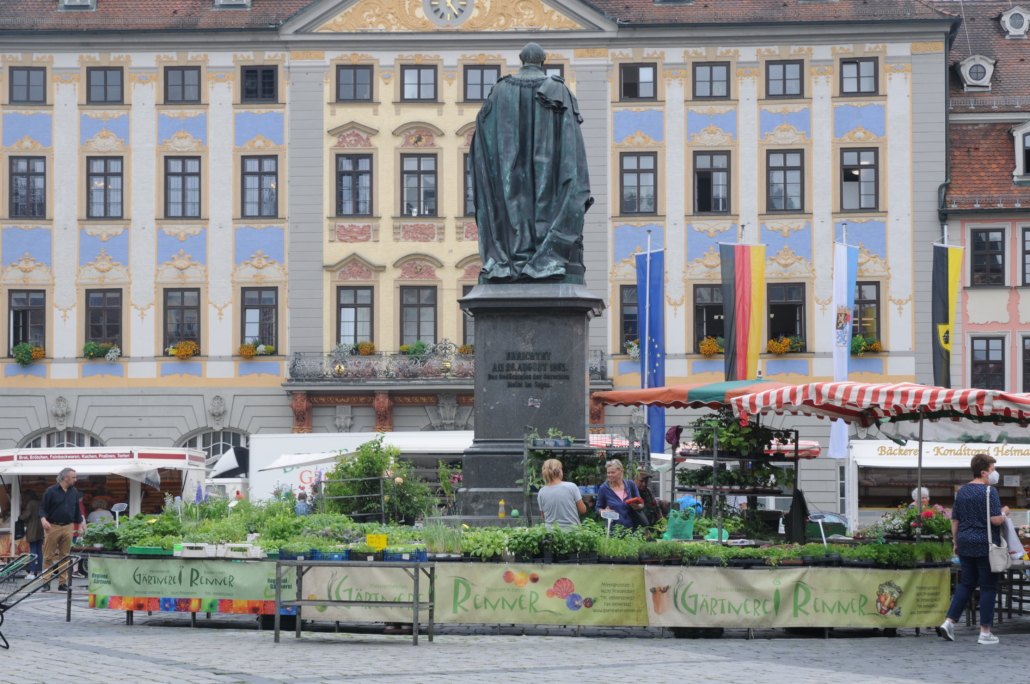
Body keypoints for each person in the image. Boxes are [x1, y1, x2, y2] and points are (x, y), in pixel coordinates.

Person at [940, 453, 1009, 645]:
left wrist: (956, 543)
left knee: (967, 583)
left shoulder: (962, 491)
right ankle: (985, 632)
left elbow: (955, 520)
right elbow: (995, 519)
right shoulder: (990, 492)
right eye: (993, 470)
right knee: (988, 586)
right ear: (983, 472)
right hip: (986, 545)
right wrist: (1004, 512)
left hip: (966, 542)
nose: (995, 473)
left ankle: (949, 622)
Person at [39, 468, 85, 591]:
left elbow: (77, 509)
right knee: (48, 556)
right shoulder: (51, 491)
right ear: (66, 478)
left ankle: (62, 583)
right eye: (74, 477)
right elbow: (43, 508)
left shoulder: (74, 492)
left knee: (65, 556)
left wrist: (80, 525)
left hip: (68, 526)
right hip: (53, 526)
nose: (76, 479)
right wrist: (44, 520)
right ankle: (46, 582)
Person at [595, 459, 645, 529]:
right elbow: (597, 508)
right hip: (614, 530)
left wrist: (638, 506)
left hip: (632, 530)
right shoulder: (604, 488)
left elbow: (642, 503)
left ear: (621, 471)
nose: (610, 475)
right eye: (608, 473)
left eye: (613, 472)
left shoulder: (631, 485)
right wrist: (604, 511)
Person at [537, 459, 586, 528]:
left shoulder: (541, 491)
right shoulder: (571, 486)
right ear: (559, 471)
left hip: (550, 533)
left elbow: (543, 515)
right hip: (572, 532)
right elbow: (582, 510)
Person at [20, 490, 44, 579]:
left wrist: (20, 517)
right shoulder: (40, 502)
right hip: (40, 527)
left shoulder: (30, 503)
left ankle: (32, 573)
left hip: (33, 528)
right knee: (39, 551)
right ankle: (40, 572)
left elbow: (27, 515)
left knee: (32, 551)